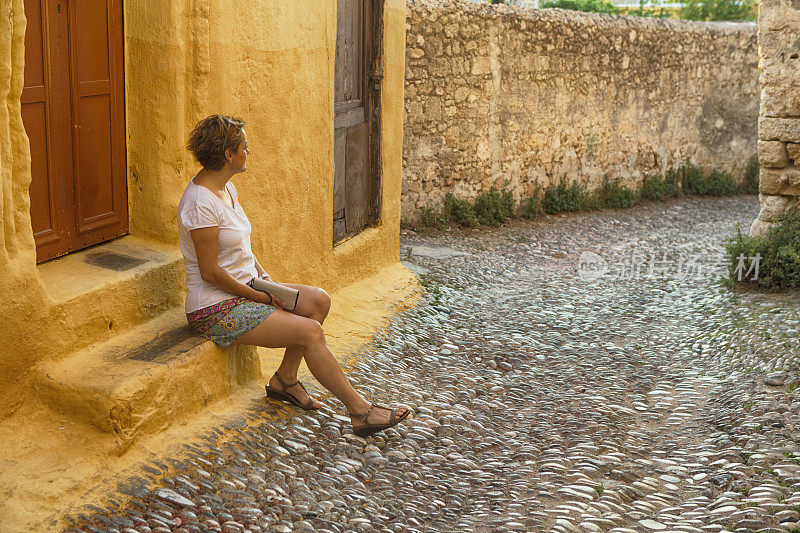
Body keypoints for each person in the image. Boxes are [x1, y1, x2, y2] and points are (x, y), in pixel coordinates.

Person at [177, 114, 409, 437]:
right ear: (228, 155)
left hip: (246, 287)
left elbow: (240, 247)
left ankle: (284, 380)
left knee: (318, 302)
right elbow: (210, 271)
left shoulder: (226, 189)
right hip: (214, 307)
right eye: (244, 147)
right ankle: (361, 412)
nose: (249, 151)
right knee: (310, 332)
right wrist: (260, 296)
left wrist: (265, 279)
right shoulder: (200, 203)